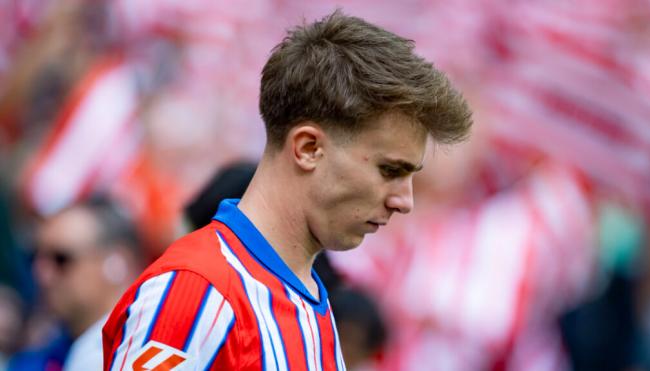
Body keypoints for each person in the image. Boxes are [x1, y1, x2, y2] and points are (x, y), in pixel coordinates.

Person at [103, 9, 472, 370]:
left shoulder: (310, 301)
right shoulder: (197, 292)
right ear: (308, 148)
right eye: (390, 169)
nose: (404, 201)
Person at [14, 197, 143, 371]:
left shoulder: (155, 344)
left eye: (61, 259)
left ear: (117, 262)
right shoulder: (32, 363)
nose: (42, 274)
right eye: (34, 258)